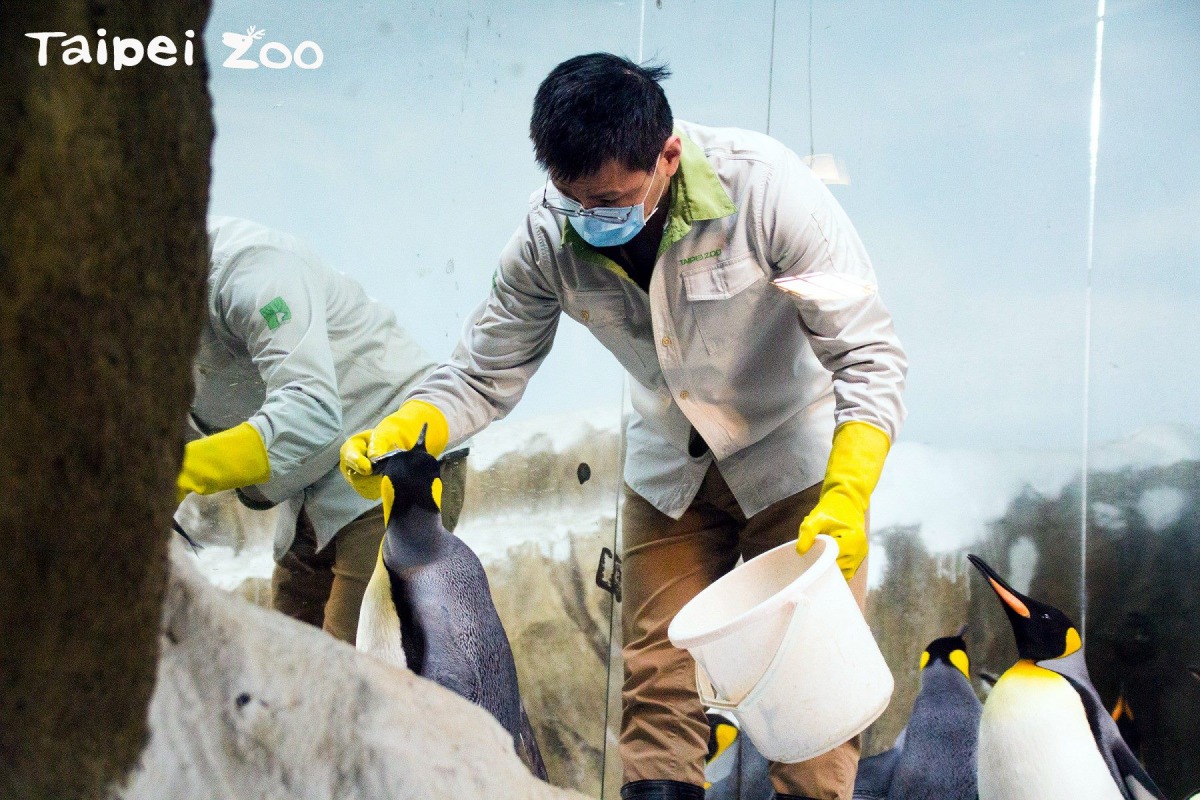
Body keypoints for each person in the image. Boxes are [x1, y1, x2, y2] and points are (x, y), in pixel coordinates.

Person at [340, 54, 906, 800]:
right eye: (574, 200)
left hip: (798, 465)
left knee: (808, 689)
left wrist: (850, 488)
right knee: (656, 675)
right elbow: (482, 372)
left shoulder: (767, 191)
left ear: (667, 156)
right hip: (671, 467)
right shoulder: (549, 235)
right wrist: (415, 424)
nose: (590, 218)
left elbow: (867, 353)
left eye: (610, 199)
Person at [178, 216, 463, 644]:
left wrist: (179, 470)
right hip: (309, 485)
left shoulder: (254, 271)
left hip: (394, 457)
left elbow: (310, 411)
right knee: (289, 668)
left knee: (356, 673)